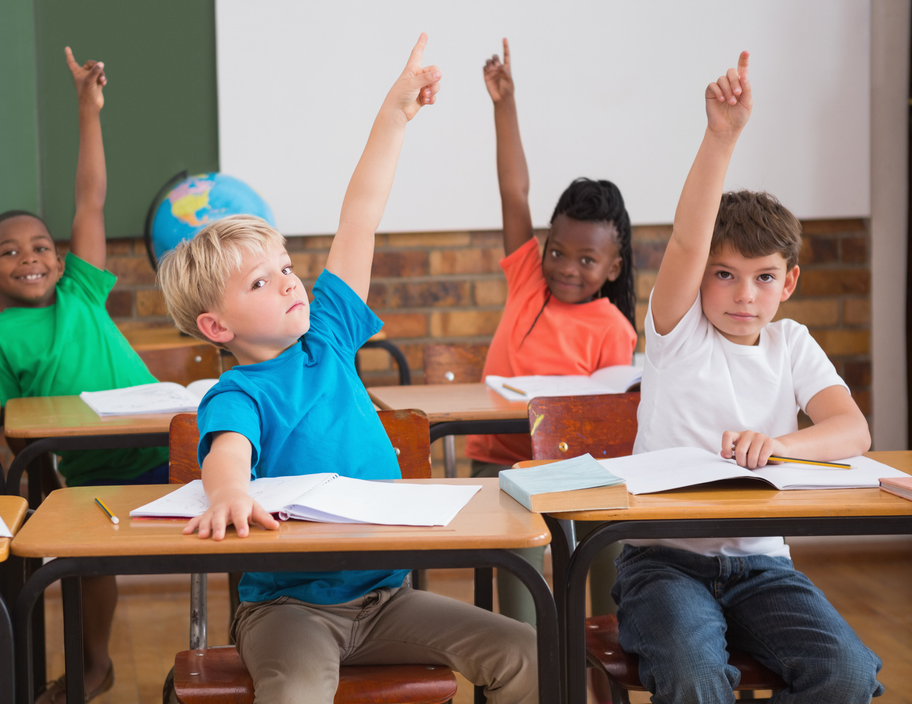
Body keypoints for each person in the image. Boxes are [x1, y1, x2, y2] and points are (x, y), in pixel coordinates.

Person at [158, 34, 537, 704]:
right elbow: (227, 453)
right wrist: (228, 495)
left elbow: (359, 215)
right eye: (259, 284)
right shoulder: (237, 391)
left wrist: (394, 116)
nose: (287, 284)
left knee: (526, 652)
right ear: (217, 327)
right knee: (298, 691)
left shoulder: (328, 338)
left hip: (386, 600)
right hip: (287, 612)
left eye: (286, 269)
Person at [614, 51, 882, 701]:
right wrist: (721, 136)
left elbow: (852, 430)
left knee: (847, 674)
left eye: (763, 277)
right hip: (665, 563)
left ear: (788, 283)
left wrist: (782, 445)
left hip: (764, 566)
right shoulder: (678, 334)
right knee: (695, 673)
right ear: (702, 276)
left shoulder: (792, 344)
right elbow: (685, 240)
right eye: (724, 274)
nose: (743, 294)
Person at [0, 49, 163, 702]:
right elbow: (7, 426)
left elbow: (91, 197)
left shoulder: (81, 290)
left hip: (167, 447)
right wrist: (43, 483)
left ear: (62, 259)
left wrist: (88, 109)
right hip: (88, 468)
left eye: (42, 247)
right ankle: (93, 662)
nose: (30, 258)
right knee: (81, 564)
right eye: (9, 252)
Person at [466, 39, 637, 632]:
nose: (566, 266)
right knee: (522, 555)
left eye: (587, 260)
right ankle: (528, 663)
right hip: (502, 464)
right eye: (557, 250)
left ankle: (603, 664)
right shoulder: (527, 283)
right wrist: (504, 106)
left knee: (613, 546)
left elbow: (610, 426)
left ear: (614, 268)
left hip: (577, 472)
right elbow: (515, 192)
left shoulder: (614, 328)